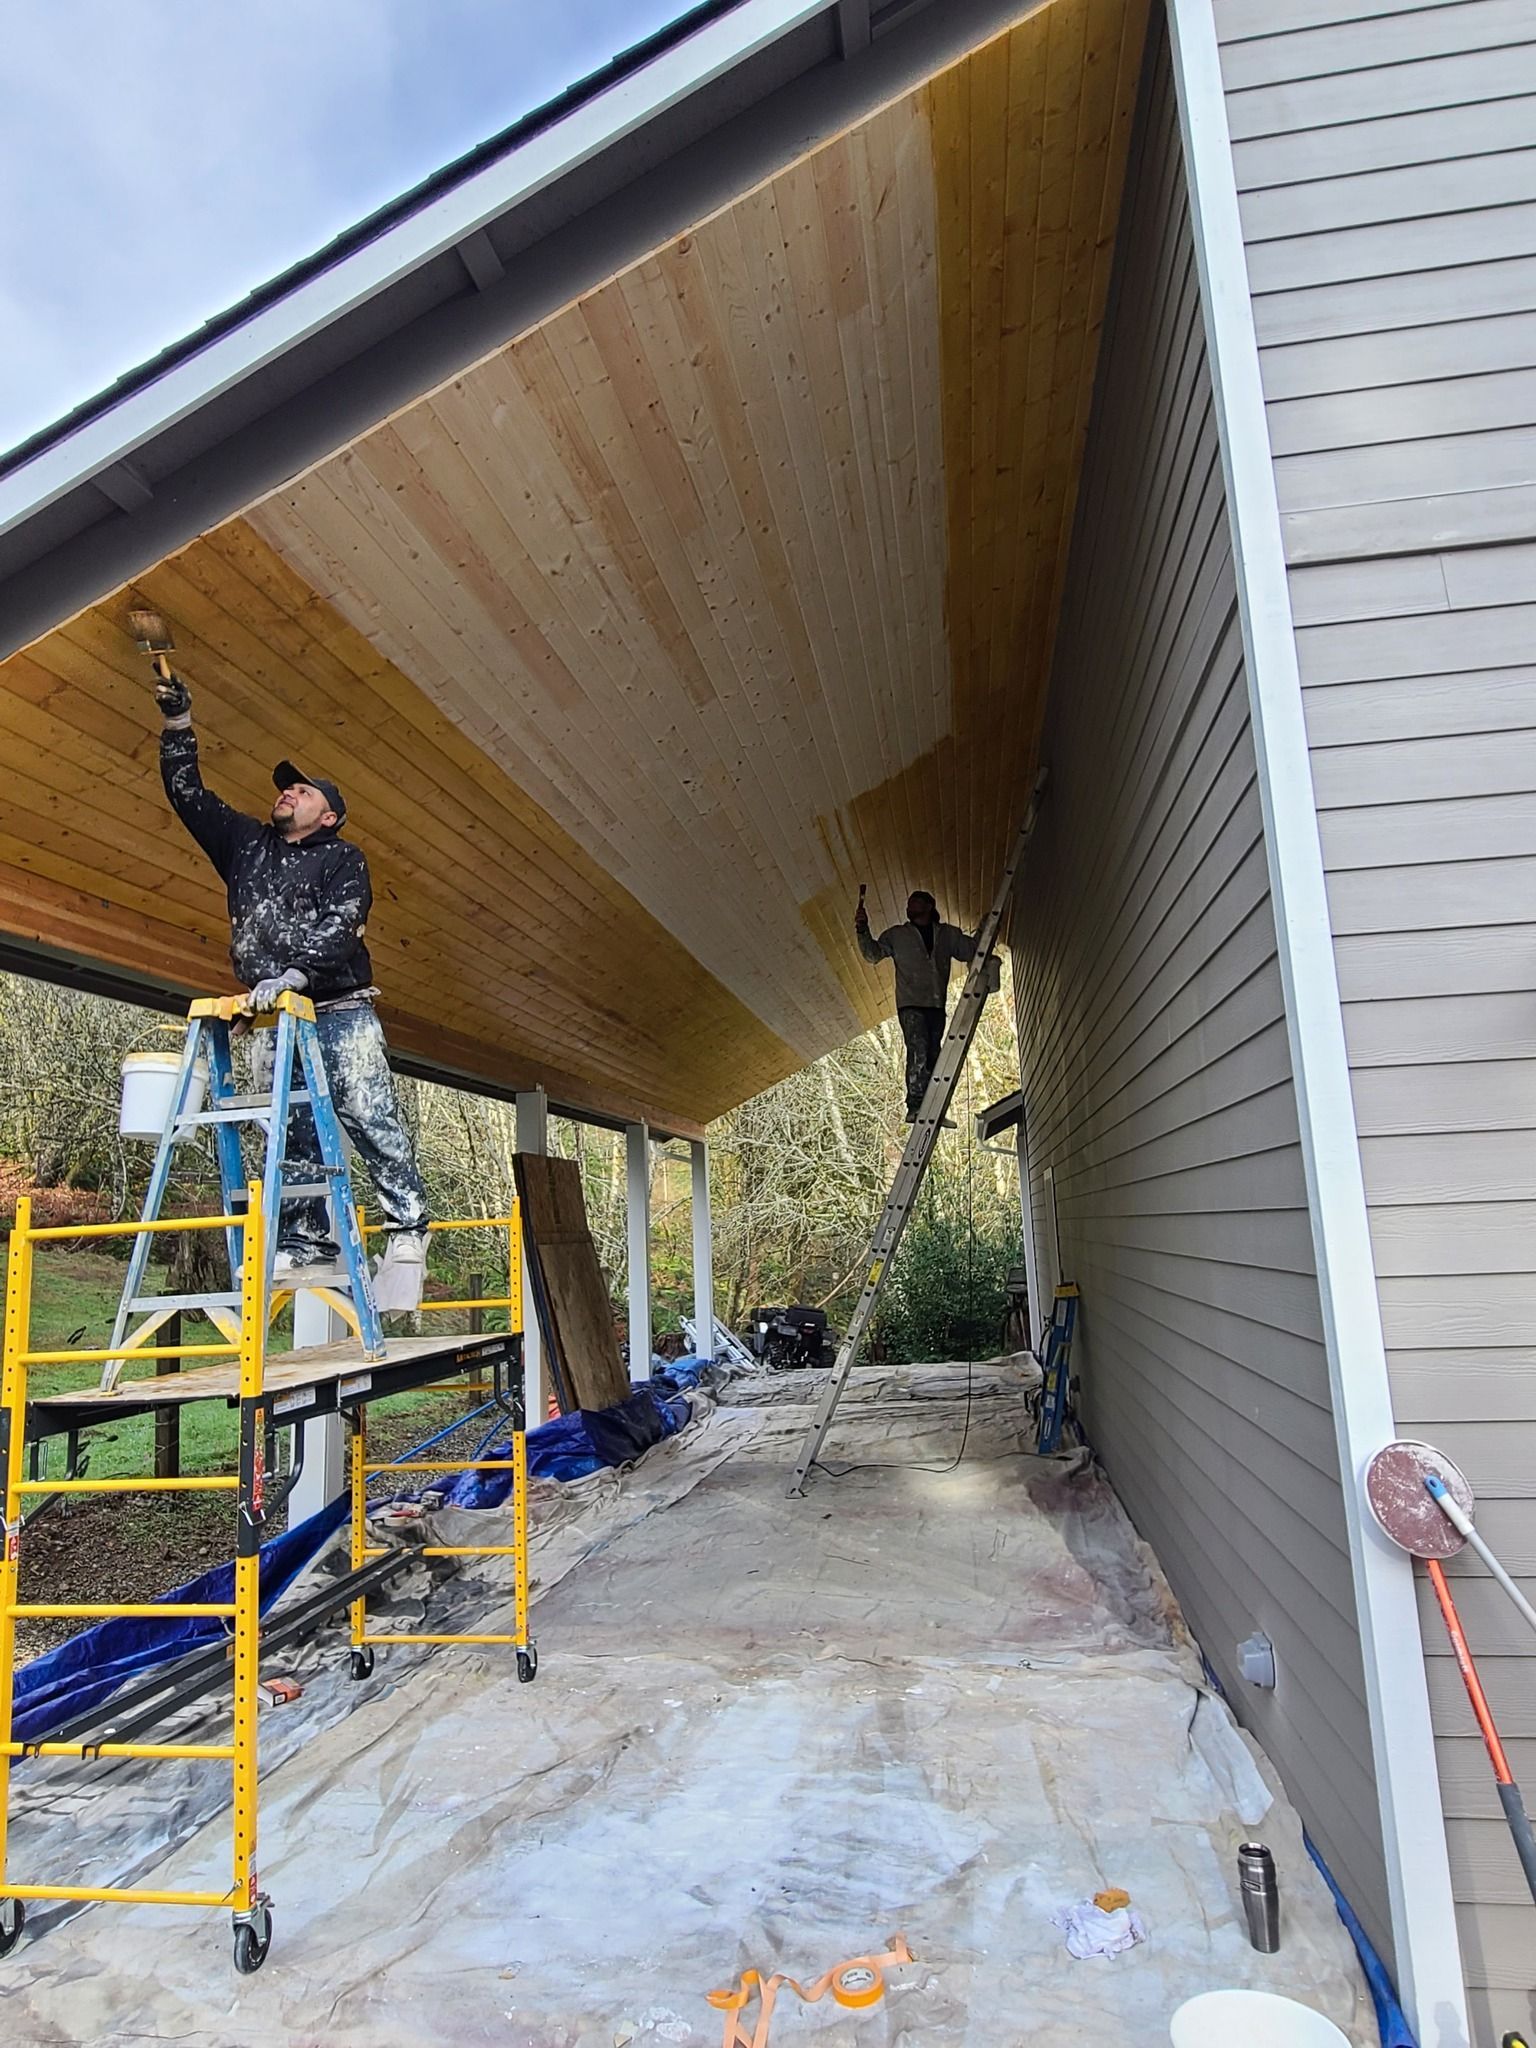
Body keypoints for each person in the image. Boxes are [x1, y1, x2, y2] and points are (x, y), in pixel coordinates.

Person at [155, 665, 430, 1294]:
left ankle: (408, 1230)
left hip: (339, 1010)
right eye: (287, 789)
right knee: (291, 1132)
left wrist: (295, 973)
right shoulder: (245, 846)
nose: (288, 793)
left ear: (329, 816)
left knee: (367, 1112)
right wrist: (177, 724)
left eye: (303, 792)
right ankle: (306, 1245)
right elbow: (187, 793)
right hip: (277, 1016)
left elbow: (344, 924)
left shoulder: (343, 859)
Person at [856, 890, 978, 1120]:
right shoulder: (897, 936)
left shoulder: (947, 935)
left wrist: (986, 929)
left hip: (935, 1004)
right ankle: (915, 1105)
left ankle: (932, 1107)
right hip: (911, 1004)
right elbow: (872, 955)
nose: (909, 909)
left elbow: (970, 949)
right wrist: (862, 930)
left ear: (929, 906)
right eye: (909, 906)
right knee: (918, 1050)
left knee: (933, 1054)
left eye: (914, 904)